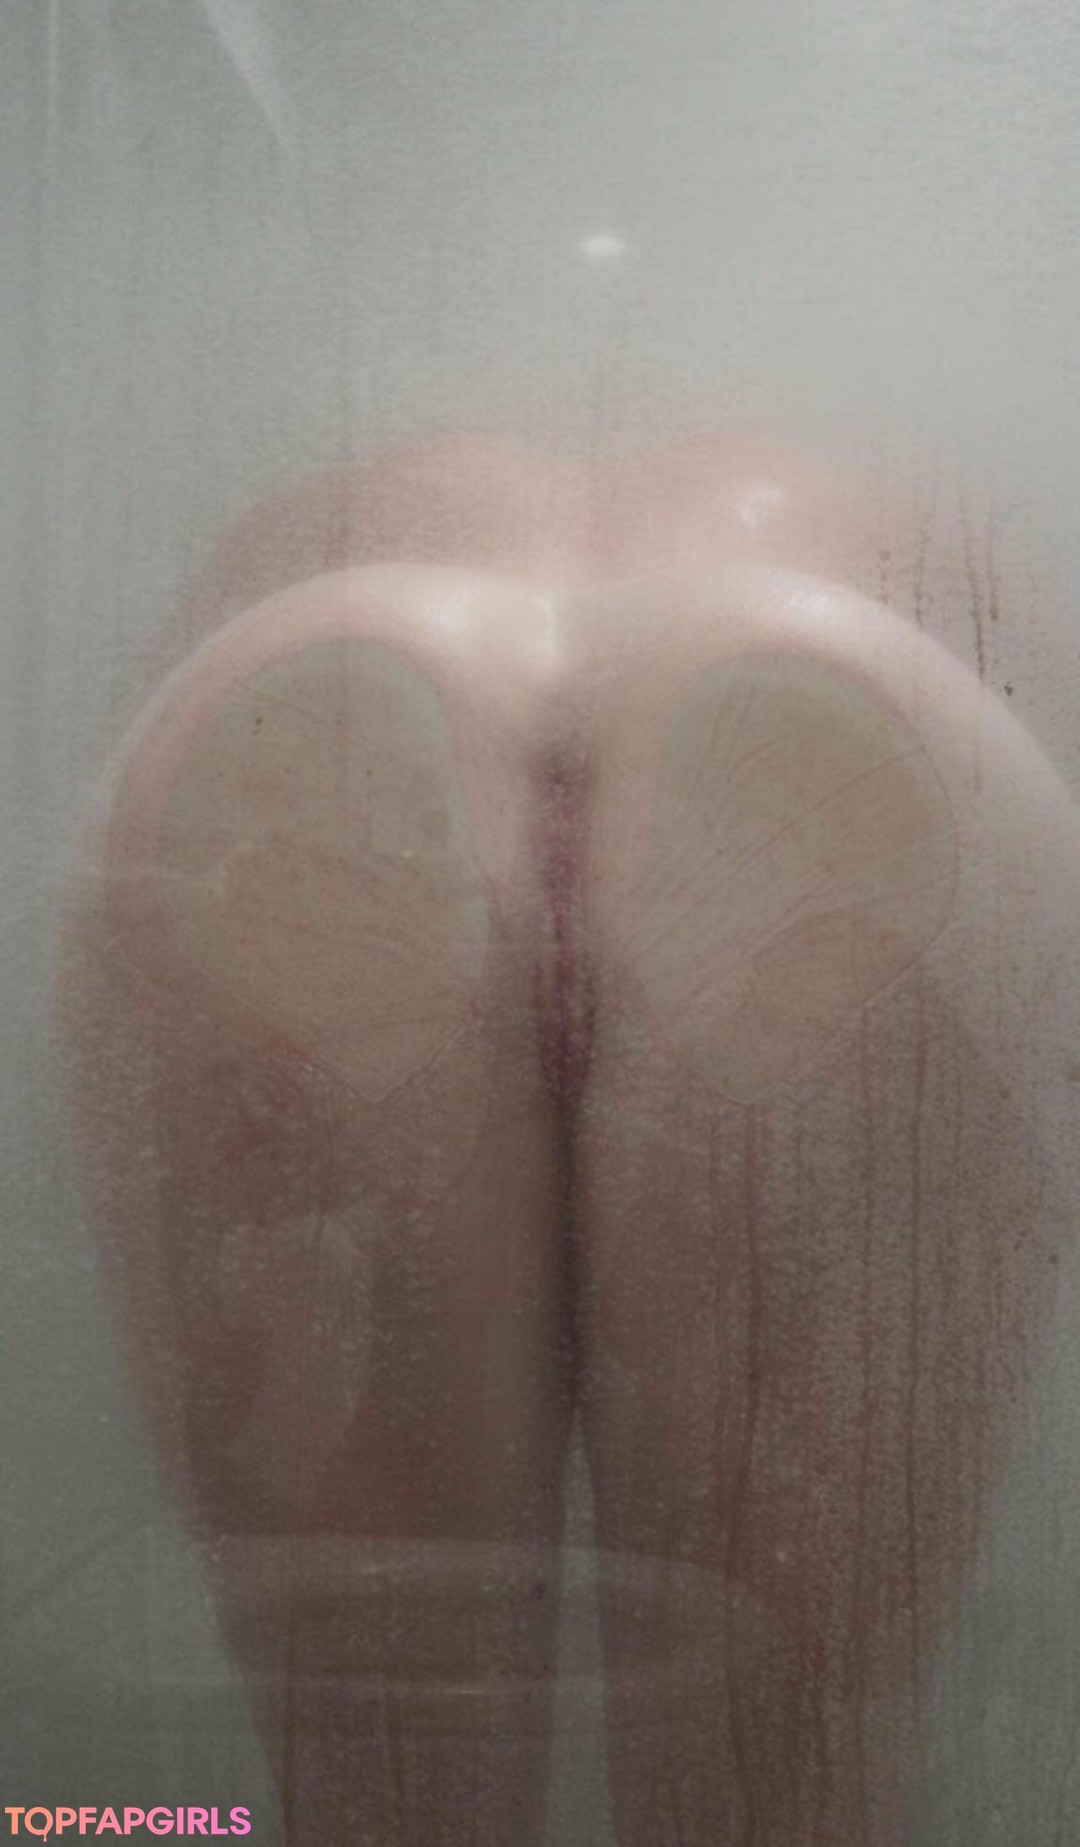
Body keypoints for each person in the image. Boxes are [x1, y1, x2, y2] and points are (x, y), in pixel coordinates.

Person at [59, 434, 1080, 1845]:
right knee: (785, 1786)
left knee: (379, 1790)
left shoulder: (326, 448)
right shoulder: (898, 466)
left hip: (309, 669)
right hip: (855, 661)